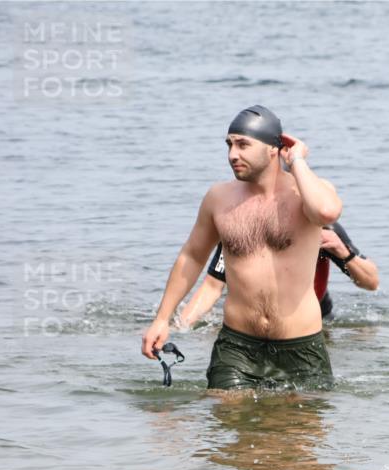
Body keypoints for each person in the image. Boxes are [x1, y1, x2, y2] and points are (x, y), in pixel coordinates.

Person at [140, 105, 343, 390]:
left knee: (300, 432)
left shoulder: (304, 193)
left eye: (243, 145)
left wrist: (297, 160)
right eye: (229, 145)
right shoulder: (219, 198)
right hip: (238, 347)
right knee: (228, 424)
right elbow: (192, 256)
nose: (232, 154)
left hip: (301, 348)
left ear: (274, 149)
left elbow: (327, 212)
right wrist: (162, 319)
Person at [179, 222, 378, 327]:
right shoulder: (242, 227)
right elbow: (212, 286)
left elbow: (371, 282)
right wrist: (180, 326)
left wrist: (342, 251)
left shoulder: (321, 228)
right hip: (256, 320)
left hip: (314, 319)